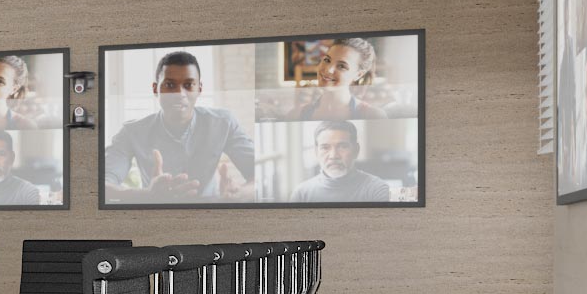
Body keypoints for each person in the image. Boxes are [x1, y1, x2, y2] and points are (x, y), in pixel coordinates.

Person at [103, 51, 255, 200]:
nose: (179, 93)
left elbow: (259, 175)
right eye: (169, 84)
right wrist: (147, 195)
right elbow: (101, 185)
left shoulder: (224, 123)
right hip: (154, 218)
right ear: (155, 89)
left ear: (199, 89)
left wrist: (239, 194)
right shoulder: (131, 132)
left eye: (189, 85)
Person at [288, 120, 399, 202]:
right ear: (316, 152)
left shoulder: (377, 189)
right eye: (325, 147)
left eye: (342, 146)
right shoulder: (301, 194)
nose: (333, 155)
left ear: (356, 150)